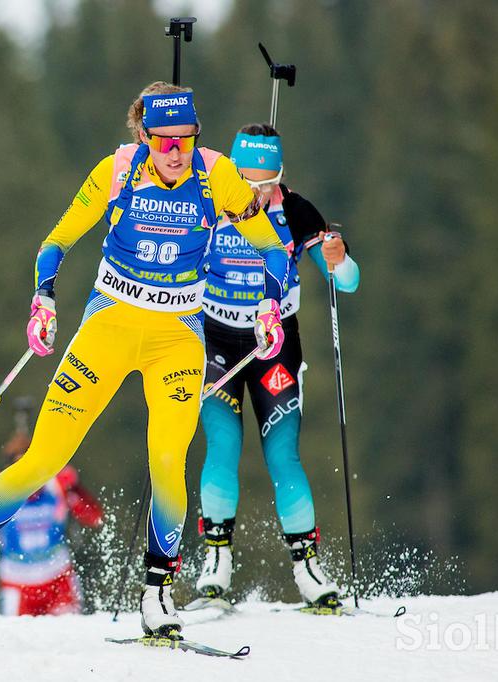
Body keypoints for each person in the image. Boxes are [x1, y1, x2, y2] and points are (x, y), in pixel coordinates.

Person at [0, 82, 293, 639]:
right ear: (144, 135)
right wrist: (44, 299)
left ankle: (157, 592)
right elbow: (56, 241)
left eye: (187, 138)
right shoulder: (118, 170)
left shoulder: (218, 174)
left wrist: (269, 304)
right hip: (108, 327)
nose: (177, 151)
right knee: (43, 458)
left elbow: (271, 245)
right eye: (164, 140)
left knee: (167, 460)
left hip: (176, 337)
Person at [195, 123, 360, 610]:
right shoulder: (207, 202)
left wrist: (339, 255)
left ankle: (308, 568)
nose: (257, 193)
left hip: (275, 346)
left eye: (267, 183)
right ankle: (216, 563)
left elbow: (346, 282)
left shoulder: (295, 210)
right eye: (248, 182)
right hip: (216, 342)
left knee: (283, 455)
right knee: (222, 445)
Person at [0, 398, 103, 616]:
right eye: (19, 469)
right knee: (19, 644)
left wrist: (75, 490)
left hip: (59, 579)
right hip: (17, 583)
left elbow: (94, 518)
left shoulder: (57, 481)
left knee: (69, 640)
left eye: (30, 468)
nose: (28, 480)